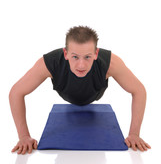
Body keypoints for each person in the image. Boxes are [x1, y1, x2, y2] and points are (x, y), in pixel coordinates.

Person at [9, 26, 151, 154]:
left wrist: (134, 133)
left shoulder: (111, 63)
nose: (81, 65)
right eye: (75, 57)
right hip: (66, 91)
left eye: (87, 57)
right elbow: (16, 92)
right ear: (66, 54)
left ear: (96, 54)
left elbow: (139, 90)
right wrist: (23, 136)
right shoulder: (50, 63)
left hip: (94, 93)